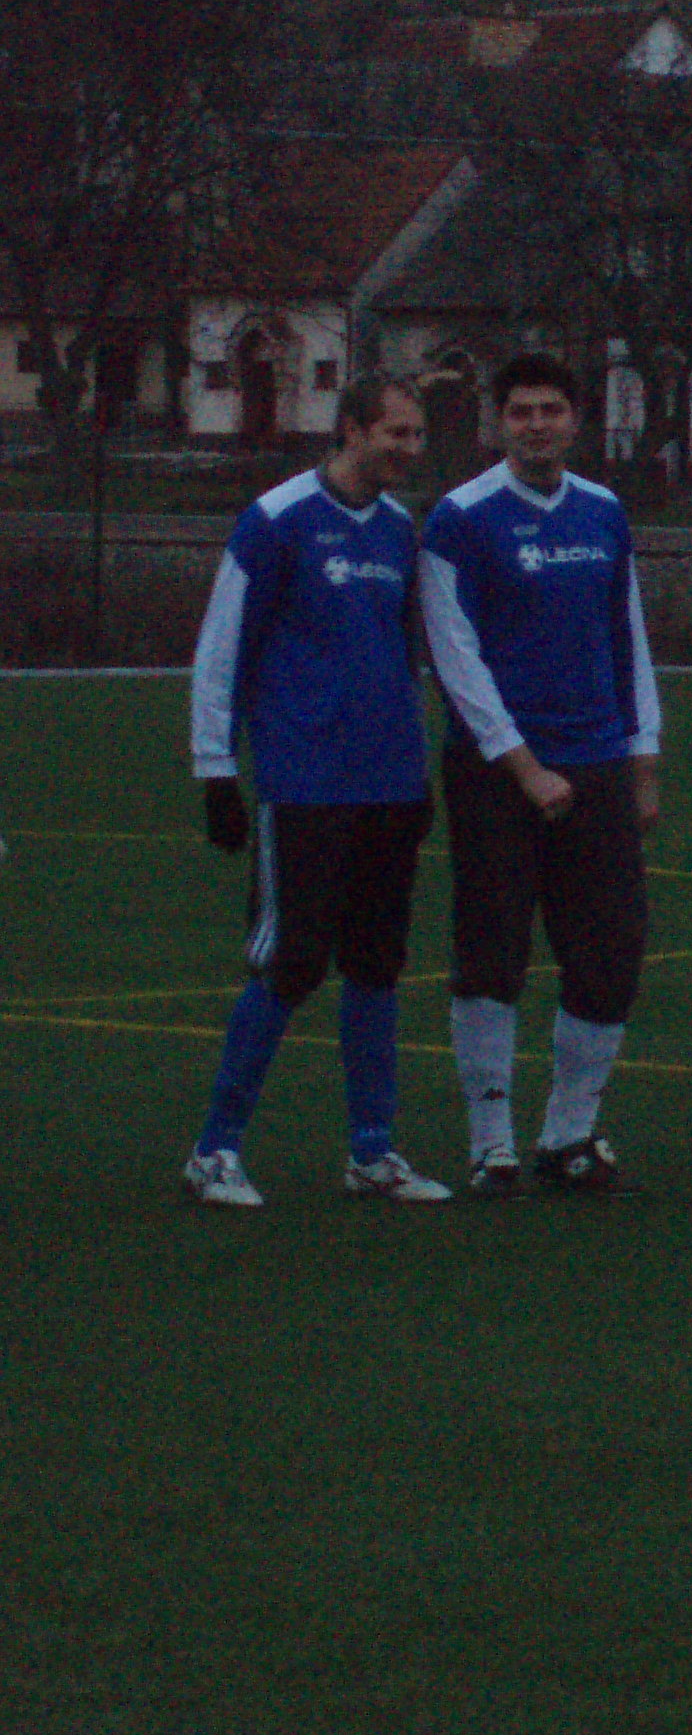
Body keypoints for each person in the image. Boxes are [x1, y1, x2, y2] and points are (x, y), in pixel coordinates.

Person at [181, 376, 447, 1207]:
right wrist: (216, 769)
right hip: (306, 784)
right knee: (292, 962)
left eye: (417, 435)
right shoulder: (277, 519)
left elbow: (404, 659)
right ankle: (214, 1152)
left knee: (376, 963)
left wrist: (415, 771)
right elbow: (223, 644)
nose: (410, 449)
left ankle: (372, 1152)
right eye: (396, 433)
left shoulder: (400, 529)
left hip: (388, 786)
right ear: (352, 429)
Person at [419, 351, 662, 1194]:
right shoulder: (460, 517)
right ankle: (491, 1142)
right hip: (496, 773)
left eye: (550, 411)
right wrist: (523, 766)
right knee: (492, 955)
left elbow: (627, 638)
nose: (535, 426)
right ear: (498, 423)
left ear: (576, 420)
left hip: (595, 765)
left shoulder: (603, 512)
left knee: (611, 953)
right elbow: (454, 659)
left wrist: (642, 759)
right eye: (520, 412)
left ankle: (569, 1135)